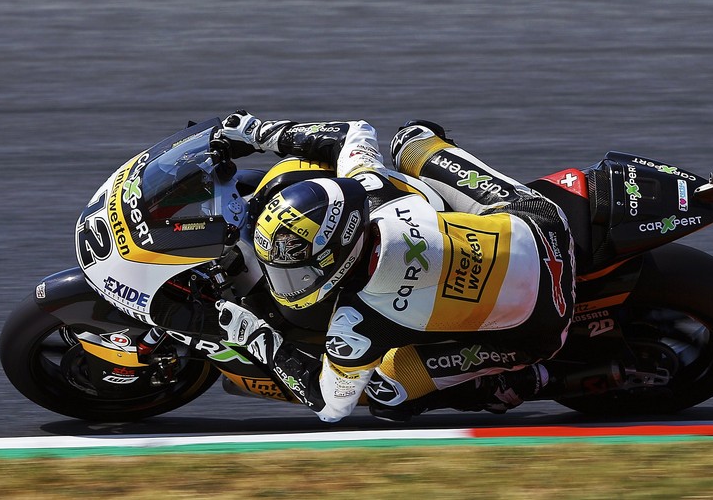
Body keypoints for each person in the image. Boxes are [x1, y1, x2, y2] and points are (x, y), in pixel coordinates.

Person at [215, 112, 576, 422]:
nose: (287, 281)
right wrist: (257, 132)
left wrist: (255, 337)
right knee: (412, 139)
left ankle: (520, 383)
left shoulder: (358, 321)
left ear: (336, 256)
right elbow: (354, 133)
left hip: (541, 326)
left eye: (295, 271)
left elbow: (331, 405)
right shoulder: (370, 188)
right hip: (543, 224)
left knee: (386, 392)